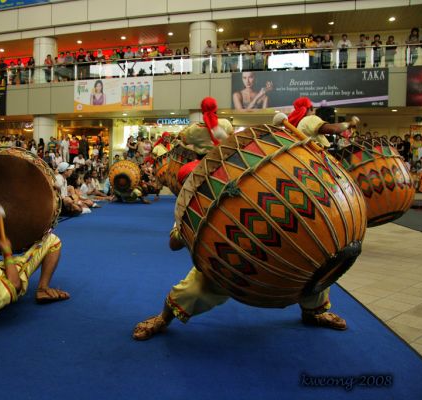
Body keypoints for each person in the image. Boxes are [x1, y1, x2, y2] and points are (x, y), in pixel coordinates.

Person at [132, 173, 347, 341]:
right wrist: (186, 225)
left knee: (314, 261)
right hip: (227, 261)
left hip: (276, 250)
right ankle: (162, 319)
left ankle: (312, 313)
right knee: (193, 290)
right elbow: (173, 245)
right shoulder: (190, 208)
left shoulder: (245, 184)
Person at [286, 97, 358, 148]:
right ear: (311, 108)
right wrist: (350, 123)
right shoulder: (309, 119)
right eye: (313, 108)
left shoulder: (300, 124)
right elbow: (334, 129)